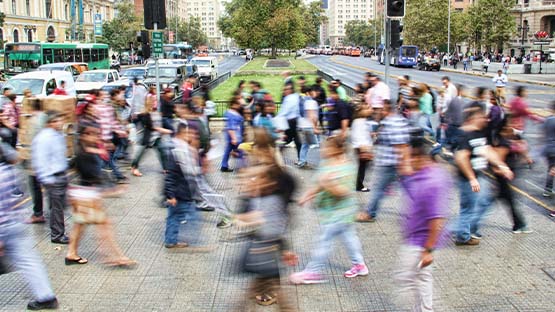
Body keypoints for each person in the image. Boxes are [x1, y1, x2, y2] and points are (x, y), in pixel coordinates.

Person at [290, 135, 368, 284]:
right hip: (335, 212)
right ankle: (360, 265)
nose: (323, 150)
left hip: (339, 213)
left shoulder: (346, 167)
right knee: (350, 238)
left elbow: (344, 192)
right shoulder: (326, 163)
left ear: (337, 150)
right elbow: (319, 183)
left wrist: (329, 184)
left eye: (327, 148)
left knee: (324, 241)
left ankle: (313, 272)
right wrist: (307, 195)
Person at [65, 122, 136, 266]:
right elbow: (92, 177)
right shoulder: (84, 155)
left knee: (80, 225)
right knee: (104, 226)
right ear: (85, 135)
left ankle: (71, 253)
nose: (98, 137)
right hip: (87, 197)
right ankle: (115, 256)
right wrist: (112, 191)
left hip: (82, 195)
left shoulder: (85, 151)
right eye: (94, 134)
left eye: (98, 134)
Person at [395, 132, 450, 312]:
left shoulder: (430, 182)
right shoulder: (427, 174)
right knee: (422, 279)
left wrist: (428, 250)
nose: (407, 161)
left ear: (418, 157)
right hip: (417, 240)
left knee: (405, 281)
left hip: (419, 243)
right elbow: (407, 181)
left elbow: (437, 219)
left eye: (410, 157)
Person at [0, 159, 59, 310]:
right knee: (30, 261)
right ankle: (46, 296)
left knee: (28, 261)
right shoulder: (7, 169)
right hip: (16, 222)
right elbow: (20, 194)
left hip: (5, 227)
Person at [454, 103, 513, 246]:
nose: (486, 120)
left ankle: (466, 229)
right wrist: (472, 178)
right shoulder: (465, 134)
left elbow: (487, 151)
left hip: (478, 176)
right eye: (482, 117)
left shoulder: (479, 133)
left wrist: (502, 165)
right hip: (468, 178)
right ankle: (462, 235)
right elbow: (461, 157)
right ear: (474, 118)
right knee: (470, 208)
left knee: (482, 202)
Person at [357, 100, 410, 223]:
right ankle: (421, 212)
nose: (378, 112)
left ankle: (370, 213)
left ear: (386, 110)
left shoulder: (392, 123)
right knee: (408, 189)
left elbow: (401, 145)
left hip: (390, 163)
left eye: (380, 109)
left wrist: (404, 164)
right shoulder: (396, 120)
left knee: (378, 189)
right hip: (392, 162)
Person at [32, 111, 70, 244]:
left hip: (60, 175)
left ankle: (58, 231)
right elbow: (41, 160)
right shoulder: (44, 138)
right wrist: (47, 179)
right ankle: (57, 235)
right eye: (57, 121)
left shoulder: (58, 135)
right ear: (50, 123)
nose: (60, 123)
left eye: (60, 120)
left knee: (59, 206)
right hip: (53, 177)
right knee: (56, 208)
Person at [164, 122, 204, 248]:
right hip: (179, 192)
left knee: (174, 217)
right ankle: (171, 240)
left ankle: (171, 240)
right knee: (181, 216)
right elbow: (170, 176)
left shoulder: (184, 149)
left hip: (182, 191)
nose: (191, 136)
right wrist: (170, 195)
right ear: (181, 134)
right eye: (188, 133)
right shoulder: (177, 151)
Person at [130, 89, 172, 177]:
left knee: (162, 151)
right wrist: (162, 130)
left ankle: (165, 168)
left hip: (155, 137)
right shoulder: (145, 114)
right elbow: (150, 126)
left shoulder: (156, 112)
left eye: (155, 101)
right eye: (153, 101)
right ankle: (134, 167)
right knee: (140, 153)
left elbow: (160, 122)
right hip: (146, 137)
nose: (155, 103)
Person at [25, 99, 48, 224]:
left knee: (35, 187)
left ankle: (38, 214)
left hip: (37, 161)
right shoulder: (46, 118)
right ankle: (52, 211)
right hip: (47, 161)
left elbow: (33, 143)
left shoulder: (34, 121)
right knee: (48, 187)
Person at [351, 84, 373, 192]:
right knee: (362, 167)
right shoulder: (359, 121)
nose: (370, 109)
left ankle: (358, 183)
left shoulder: (360, 120)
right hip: (361, 147)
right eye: (367, 107)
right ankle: (359, 185)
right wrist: (364, 149)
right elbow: (358, 136)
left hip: (362, 147)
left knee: (363, 166)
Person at [277, 84, 302, 162]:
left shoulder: (289, 98)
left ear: (290, 90)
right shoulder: (296, 96)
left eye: (286, 89)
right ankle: (300, 159)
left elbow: (284, 111)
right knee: (296, 141)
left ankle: (277, 156)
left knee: (287, 140)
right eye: (284, 90)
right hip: (294, 121)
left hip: (290, 122)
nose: (284, 91)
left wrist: (278, 121)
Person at [297, 86, 319, 168]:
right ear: (309, 93)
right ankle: (302, 162)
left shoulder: (301, 100)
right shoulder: (310, 101)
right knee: (315, 144)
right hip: (308, 126)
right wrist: (315, 128)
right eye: (314, 92)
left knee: (305, 144)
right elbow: (311, 115)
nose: (315, 93)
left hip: (301, 125)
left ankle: (302, 161)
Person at [221, 97, 244, 172]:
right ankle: (242, 167)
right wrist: (234, 138)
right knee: (240, 151)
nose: (240, 105)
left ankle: (224, 166)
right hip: (235, 136)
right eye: (238, 104)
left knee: (228, 151)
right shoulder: (231, 114)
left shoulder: (231, 112)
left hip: (234, 136)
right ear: (233, 104)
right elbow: (231, 127)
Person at [543, 101, 555, 198]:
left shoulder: (548, 120)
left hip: (548, 147)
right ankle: (548, 189)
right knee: (552, 169)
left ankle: (548, 189)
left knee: (551, 169)